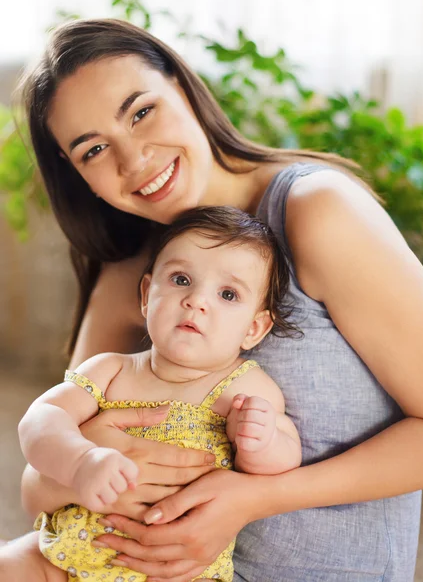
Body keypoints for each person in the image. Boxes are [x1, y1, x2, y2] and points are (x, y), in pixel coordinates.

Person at [3, 16, 423, 582]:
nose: (135, 160)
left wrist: (253, 498)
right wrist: (83, 467)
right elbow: (37, 486)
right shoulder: (131, 277)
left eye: (142, 111)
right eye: (94, 149)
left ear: (184, 86)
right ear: (80, 178)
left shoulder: (314, 212)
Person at [15, 206, 302, 582]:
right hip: (64, 556)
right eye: (181, 279)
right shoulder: (111, 370)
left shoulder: (245, 388)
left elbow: (285, 459)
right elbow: (40, 418)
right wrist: (80, 461)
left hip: (172, 570)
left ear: (254, 328)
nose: (197, 300)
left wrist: (260, 442)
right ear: (147, 295)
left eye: (228, 294)